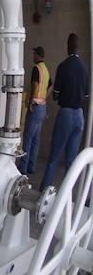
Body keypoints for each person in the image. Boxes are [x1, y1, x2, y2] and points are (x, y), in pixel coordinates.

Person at [42, 34, 90, 189]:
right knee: (71, 160)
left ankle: (44, 191)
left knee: (55, 156)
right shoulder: (84, 68)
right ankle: (67, 194)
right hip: (79, 116)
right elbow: (86, 97)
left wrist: (65, 94)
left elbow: (55, 95)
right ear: (78, 46)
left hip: (66, 114)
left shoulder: (63, 66)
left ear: (68, 45)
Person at [18, 46, 51, 175]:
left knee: (28, 138)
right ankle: (32, 165)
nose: (33, 57)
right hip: (42, 106)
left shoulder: (36, 69)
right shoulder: (46, 70)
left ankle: (23, 167)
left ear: (38, 55)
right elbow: (50, 86)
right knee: (36, 139)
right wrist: (44, 99)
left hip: (35, 107)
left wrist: (31, 101)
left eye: (34, 54)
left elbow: (35, 84)